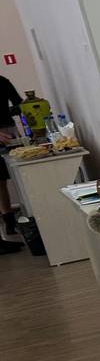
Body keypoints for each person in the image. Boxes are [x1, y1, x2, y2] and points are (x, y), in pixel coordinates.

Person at [0, 74, 22, 253]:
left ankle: (9, 222)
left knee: (2, 179)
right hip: (6, 130)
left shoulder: (2, 81)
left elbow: (18, 105)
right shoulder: (2, 81)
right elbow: (17, 105)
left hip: (6, 131)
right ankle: (8, 221)